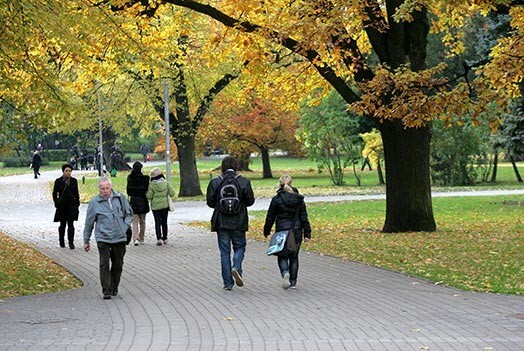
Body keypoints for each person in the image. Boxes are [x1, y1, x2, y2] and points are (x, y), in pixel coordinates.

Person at [206, 156, 255, 290]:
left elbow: (210, 202)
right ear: (236, 166)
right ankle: (237, 267)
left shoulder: (216, 182)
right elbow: (250, 201)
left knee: (224, 252)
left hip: (221, 222)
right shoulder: (244, 181)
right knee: (240, 246)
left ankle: (228, 283)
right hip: (239, 221)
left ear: (222, 166)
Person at [83, 177, 133, 300]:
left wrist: (124, 226)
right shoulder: (95, 202)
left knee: (118, 264)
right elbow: (89, 223)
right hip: (103, 237)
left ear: (111, 187)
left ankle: (114, 285)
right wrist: (86, 240)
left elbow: (129, 214)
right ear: (99, 189)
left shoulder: (120, 198)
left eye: (107, 188)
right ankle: (106, 290)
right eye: (102, 188)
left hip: (119, 236)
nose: (105, 191)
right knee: (104, 264)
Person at [264, 175, 311, 290]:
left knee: (282, 255)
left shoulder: (277, 199)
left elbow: (270, 216)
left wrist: (267, 230)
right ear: (292, 183)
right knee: (294, 256)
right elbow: (304, 217)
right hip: (296, 230)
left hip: (281, 230)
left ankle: (285, 272)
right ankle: (293, 282)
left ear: (279, 184)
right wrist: (307, 233)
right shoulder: (298, 200)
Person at [52, 163, 80, 249]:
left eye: (69, 171)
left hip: (71, 205)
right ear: (63, 171)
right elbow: (54, 193)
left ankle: (71, 242)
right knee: (62, 224)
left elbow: (76, 193)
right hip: (62, 205)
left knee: (71, 224)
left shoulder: (74, 181)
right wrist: (56, 202)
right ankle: (61, 241)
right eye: (66, 171)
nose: (68, 173)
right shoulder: (58, 181)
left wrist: (77, 203)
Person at [146, 167, 175, 246]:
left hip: (155, 206)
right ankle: (165, 237)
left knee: (157, 222)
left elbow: (149, 196)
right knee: (164, 222)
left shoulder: (151, 185)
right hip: (165, 205)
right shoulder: (166, 183)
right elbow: (172, 193)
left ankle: (159, 238)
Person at [126, 161, 150, 246]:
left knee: (134, 221)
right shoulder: (146, 179)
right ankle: (142, 237)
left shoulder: (130, 178)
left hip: (134, 201)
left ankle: (135, 238)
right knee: (142, 221)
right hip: (143, 200)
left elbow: (128, 191)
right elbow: (147, 190)